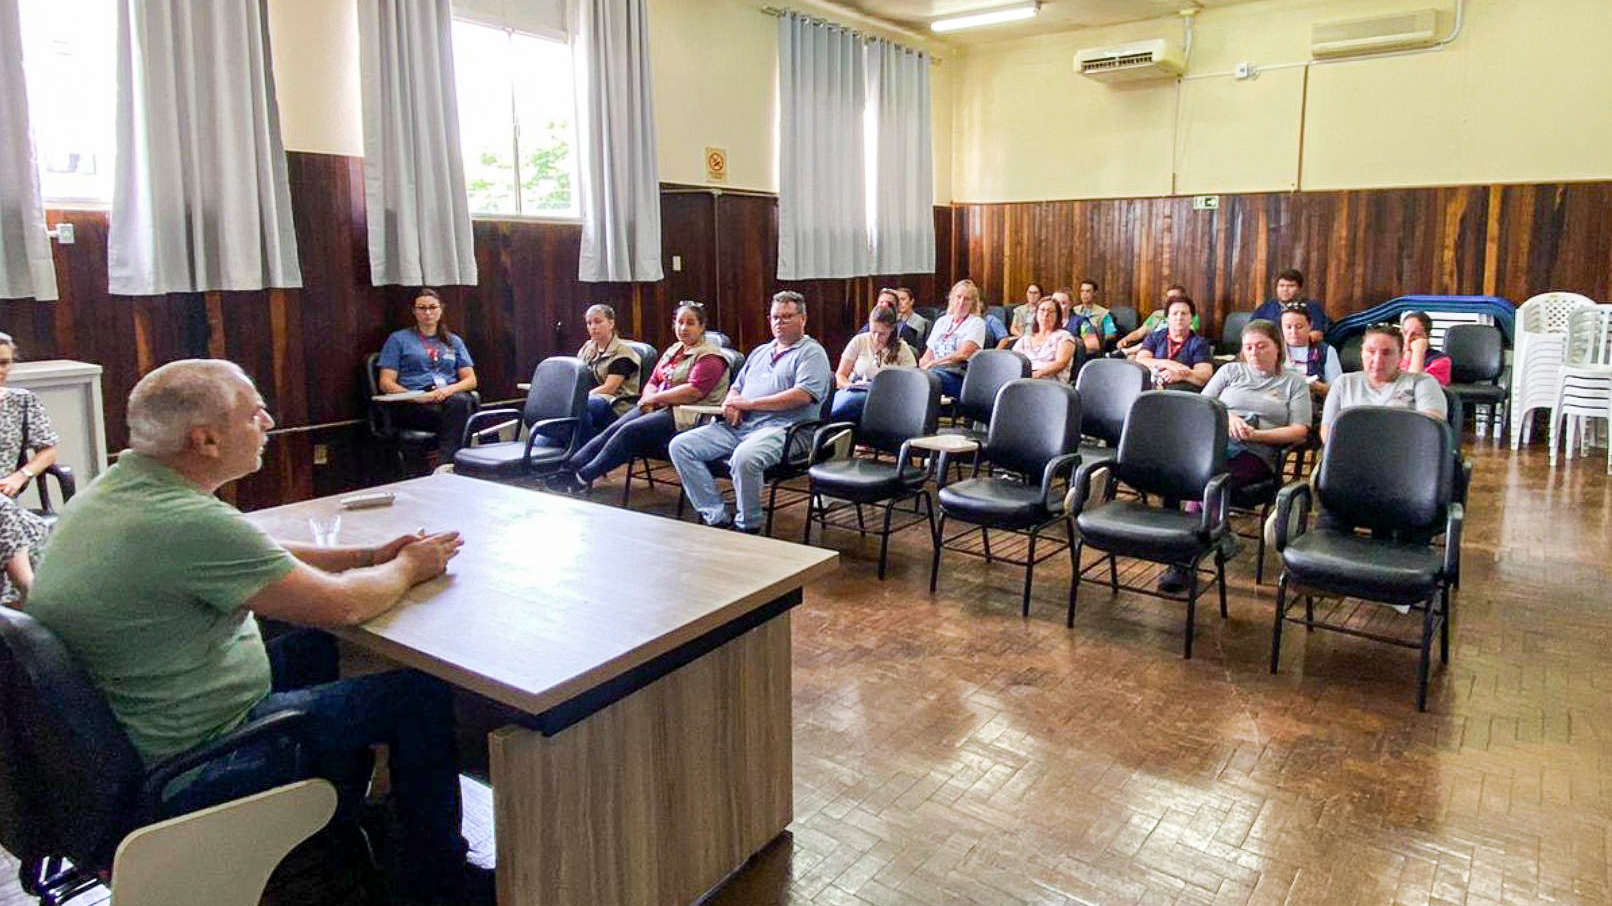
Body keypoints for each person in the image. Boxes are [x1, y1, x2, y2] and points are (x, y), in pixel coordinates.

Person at [26, 360, 480, 904]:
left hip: (141, 725)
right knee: (418, 694)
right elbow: (344, 606)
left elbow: (253, 551)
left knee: (314, 646)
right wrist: (409, 566)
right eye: (253, 412)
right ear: (207, 440)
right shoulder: (184, 522)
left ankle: (365, 818)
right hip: (198, 761)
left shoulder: (120, 491)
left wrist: (368, 554)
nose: (266, 421)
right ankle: (437, 881)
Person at [668, 291, 832, 534]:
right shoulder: (761, 352)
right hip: (742, 425)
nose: (779, 322)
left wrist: (749, 404)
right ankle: (716, 515)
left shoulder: (811, 353)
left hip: (786, 430)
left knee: (745, 457)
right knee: (680, 446)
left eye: (787, 316)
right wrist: (732, 402)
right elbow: (736, 387)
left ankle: (748, 525)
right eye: (775, 317)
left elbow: (802, 396)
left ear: (803, 319)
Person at [551, 301, 731, 493]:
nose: (683, 328)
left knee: (630, 431)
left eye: (690, 323)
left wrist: (654, 399)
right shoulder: (674, 350)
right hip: (660, 406)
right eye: (680, 322)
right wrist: (649, 397)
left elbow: (694, 391)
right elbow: (653, 380)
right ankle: (569, 468)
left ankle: (582, 477)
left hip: (689, 414)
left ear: (702, 326)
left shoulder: (711, 356)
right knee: (613, 429)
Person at [377, 288, 479, 461]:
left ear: (441, 309)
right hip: (414, 404)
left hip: (447, 399)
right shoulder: (398, 340)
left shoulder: (453, 341)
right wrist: (416, 397)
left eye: (432, 307)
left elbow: (470, 380)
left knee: (460, 402)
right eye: (422, 308)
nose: (428, 312)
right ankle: (453, 462)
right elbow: (385, 383)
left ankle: (446, 462)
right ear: (414, 311)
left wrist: (448, 390)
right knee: (464, 410)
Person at [0, 333, 57, 606]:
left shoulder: (22, 401)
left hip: (7, 497)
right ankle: (29, 593)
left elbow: (48, 449)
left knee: (18, 520)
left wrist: (21, 474)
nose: (0, 370)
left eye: (3, 363)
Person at [1320, 323, 1447, 443]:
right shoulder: (1343, 383)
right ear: (1361, 353)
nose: (1377, 359)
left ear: (1401, 356)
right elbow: (1328, 433)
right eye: (1370, 351)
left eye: (1387, 353)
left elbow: (1431, 428)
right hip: (1352, 453)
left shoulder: (1423, 382)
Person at [832, 303, 918, 422]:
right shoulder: (859, 341)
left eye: (882, 334)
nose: (876, 338)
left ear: (892, 329)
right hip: (854, 392)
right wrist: (850, 386)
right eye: (873, 332)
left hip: (886, 398)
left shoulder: (901, 348)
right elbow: (840, 375)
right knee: (849, 403)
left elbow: (912, 382)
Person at [576, 303, 643, 444]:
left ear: (611, 323)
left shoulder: (623, 353)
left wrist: (577, 398)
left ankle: (581, 450)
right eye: (589, 323)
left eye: (598, 321)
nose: (593, 327)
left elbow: (609, 388)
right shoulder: (588, 347)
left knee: (582, 405)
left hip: (618, 406)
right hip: (593, 400)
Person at [919, 280, 989, 398]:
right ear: (951, 298)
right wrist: (924, 364)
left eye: (966, 299)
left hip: (958, 376)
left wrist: (933, 364)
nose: (961, 302)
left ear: (973, 303)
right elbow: (928, 354)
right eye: (958, 297)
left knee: (929, 378)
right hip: (934, 371)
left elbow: (963, 354)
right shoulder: (942, 321)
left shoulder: (976, 323)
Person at [1134, 296, 1214, 389]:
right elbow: (1141, 359)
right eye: (1175, 313)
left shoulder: (1199, 343)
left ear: (1191, 318)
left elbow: (1205, 375)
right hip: (1153, 387)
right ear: (1167, 318)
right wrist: (1167, 363)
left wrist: (1182, 375)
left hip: (1183, 391)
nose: (1179, 317)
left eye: (1184, 313)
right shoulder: (1155, 336)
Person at [1279, 301, 1342, 396]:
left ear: (1310, 325)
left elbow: (1338, 391)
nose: (1293, 332)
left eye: (1299, 327)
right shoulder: (1275, 349)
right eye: (1288, 327)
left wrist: (1316, 386)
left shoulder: (1326, 351)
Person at [1252, 269, 1329, 343]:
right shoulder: (1266, 307)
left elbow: (1316, 335)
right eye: (1281, 286)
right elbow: (1251, 331)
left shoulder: (1311, 307)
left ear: (1300, 289)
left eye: (1291, 286)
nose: (1285, 289)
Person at [1011, 297, 1078, 382]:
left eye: (1051, 311)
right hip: (1024, 382)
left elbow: (1061, 363)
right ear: (1036, 313)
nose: (1046, 314)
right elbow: (1013, 362)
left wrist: (1036, 375)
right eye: (1042, 310)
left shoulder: (1064, 336)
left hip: (1051, 385)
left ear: (1058, 316)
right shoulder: (1025, 340)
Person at [1116, 284, 1196, 354]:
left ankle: (1126, 352)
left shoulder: (1190, 315)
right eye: (1168, 297)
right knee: (1131, 360)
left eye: (1175, 297)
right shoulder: (1157, 314)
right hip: (1148, 345)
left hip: (1171, 347)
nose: (1171, 300)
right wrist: (1125, 339)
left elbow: (1186, 335)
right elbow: (1139, 333)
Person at [1399, 310, 1452, 386]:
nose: (1407, 339)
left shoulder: (1441, 361)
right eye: (1404, 333)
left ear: (1427, 336)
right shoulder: (1394, 358)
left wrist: (1418, 352)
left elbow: (1414, 387)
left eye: (1416, 334)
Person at [856, 289, 922, 349]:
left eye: (889, 304)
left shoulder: (905, 330)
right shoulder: (868, 327)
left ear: (897, 307)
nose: (884, 306)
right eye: (881, 303)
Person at [1052, 288, 1101, 356]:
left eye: (1063, 303)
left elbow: (1093, 346)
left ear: (1070, 305)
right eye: (1055, 303)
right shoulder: (1045, 322)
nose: (1058, 307)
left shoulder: (1082, 322)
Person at [1070, 279, 1118, 346]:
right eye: (1082, 291)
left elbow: (1111, 334)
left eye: (1088, 291)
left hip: (1094, 346)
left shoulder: (1104, 313)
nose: (1084, 294)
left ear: (1095, 293)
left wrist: (1098, 338)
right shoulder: (1073, 311)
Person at [1001, 283, 1044, 347]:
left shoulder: (1043, 310)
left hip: (1036, 338)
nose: (1032, 295)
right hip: (1021, 337)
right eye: (1030, 292)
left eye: (1035, 293)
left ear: (1040, 295)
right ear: (1027, 294)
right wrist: (1022, 336)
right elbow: (1013, 329)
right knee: (1006, 342)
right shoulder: (1019, 310)